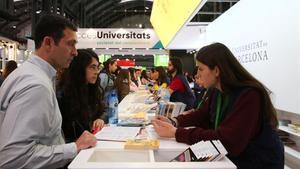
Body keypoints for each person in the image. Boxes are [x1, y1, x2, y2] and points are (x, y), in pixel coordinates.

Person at [152, 43, 284, 169]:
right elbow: (202, 115)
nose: (197, 74)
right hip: (232, 158)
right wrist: (174, 121)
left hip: (257, 162)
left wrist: (176, 133)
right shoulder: (217, 91)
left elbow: (227, 140)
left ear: (216, 70)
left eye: (201, 69)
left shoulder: (250, 95)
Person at [0, 14, 96, 169]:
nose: (75, 52)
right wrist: (75, 147)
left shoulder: (29, 75)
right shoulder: (36, 85)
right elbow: (13, 158)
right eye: (70, 44)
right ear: (48, 43)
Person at [57, 49, 105, 143]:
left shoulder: (91, 90)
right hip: (72, 150)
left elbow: (102, 110)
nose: (96, 72)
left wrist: (99, 119)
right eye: (92, 67)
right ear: (79, 68)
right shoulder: (63, 95)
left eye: (97, 67)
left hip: (88, 144)